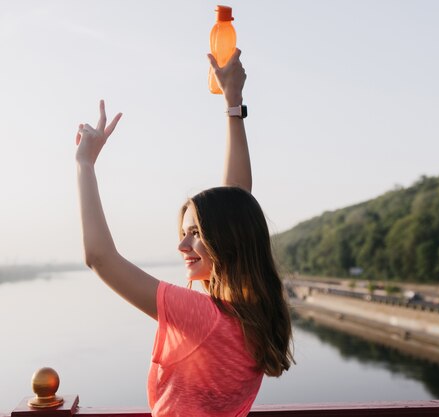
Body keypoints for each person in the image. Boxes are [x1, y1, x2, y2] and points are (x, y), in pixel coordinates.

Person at [75, 49, 293, 417]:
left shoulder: (203, 317)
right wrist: (233, 104)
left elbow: (100, 258)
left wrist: (84, 165)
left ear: (227, 240)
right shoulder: (256, 312)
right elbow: (238, 201)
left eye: (195, 233)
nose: (182, 244)